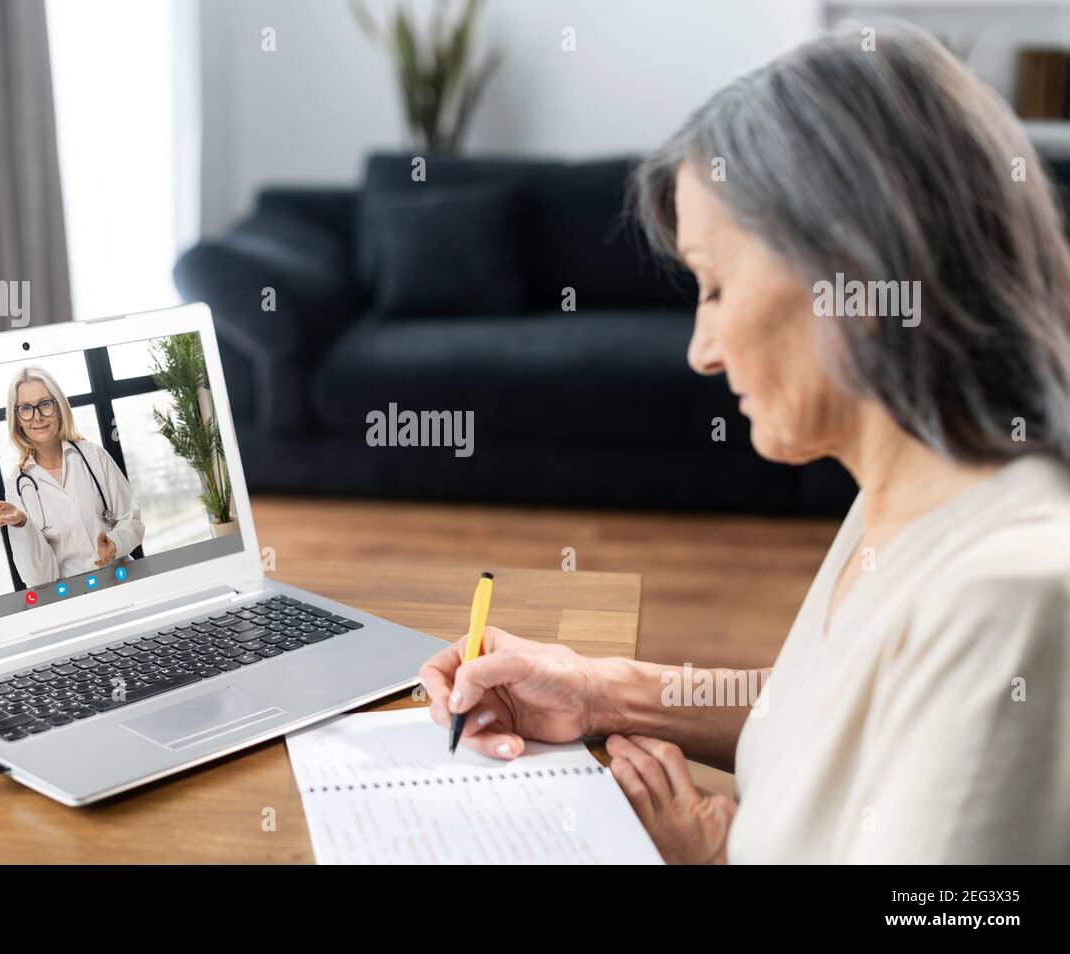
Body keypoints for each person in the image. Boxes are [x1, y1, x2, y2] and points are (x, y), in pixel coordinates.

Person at [420, 24, 1070, 863]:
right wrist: (602, 692)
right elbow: (839, 710)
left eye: (718, 285)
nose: (702, 349)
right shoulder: (904, 493)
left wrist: (713, 855)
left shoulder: (1009, 596)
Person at [0, 366, 145, 587]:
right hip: (72, 600)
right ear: (18, 419)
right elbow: (38, 579)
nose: (37, 417)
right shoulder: (18, 484)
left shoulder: (93, 455)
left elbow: (132, 521)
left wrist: (114, 544)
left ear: (58, 408)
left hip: (124, 583)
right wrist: (22, 524)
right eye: (26, 408)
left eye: (45, 404)